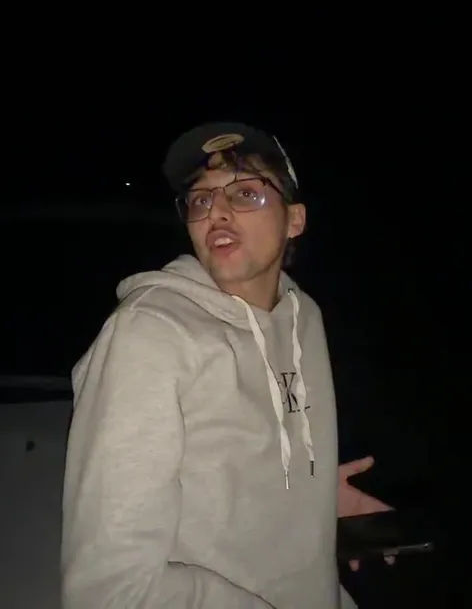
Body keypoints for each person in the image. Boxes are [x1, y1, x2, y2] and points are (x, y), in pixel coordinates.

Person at [60, 122, 391, 608]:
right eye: (200, 199)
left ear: (294, 219)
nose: (216, 212)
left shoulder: (302, 315)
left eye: (245, 193)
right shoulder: (148, 337)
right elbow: (112, 591)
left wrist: (315, 498)